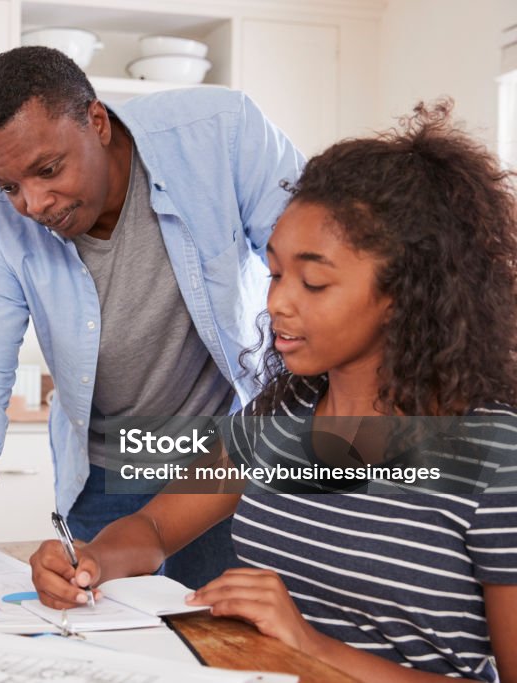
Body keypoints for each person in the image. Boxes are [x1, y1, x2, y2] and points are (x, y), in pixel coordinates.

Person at [29, 102, 517, 682]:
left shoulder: (492, 456)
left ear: (407, 292)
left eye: (313, 281)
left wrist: (310, 646)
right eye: (277, 272)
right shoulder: (282, 420)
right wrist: (94, 558)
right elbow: (156, 528)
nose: (278, 302)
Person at [0, 46, 304, 621]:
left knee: (230, 640)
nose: (34, 204)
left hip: (231, 451)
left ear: (96, 122)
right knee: (108, 638)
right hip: (110, 464)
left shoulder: (220, 135)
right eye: (8, 186)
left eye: (47, 171)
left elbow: (320, 267)